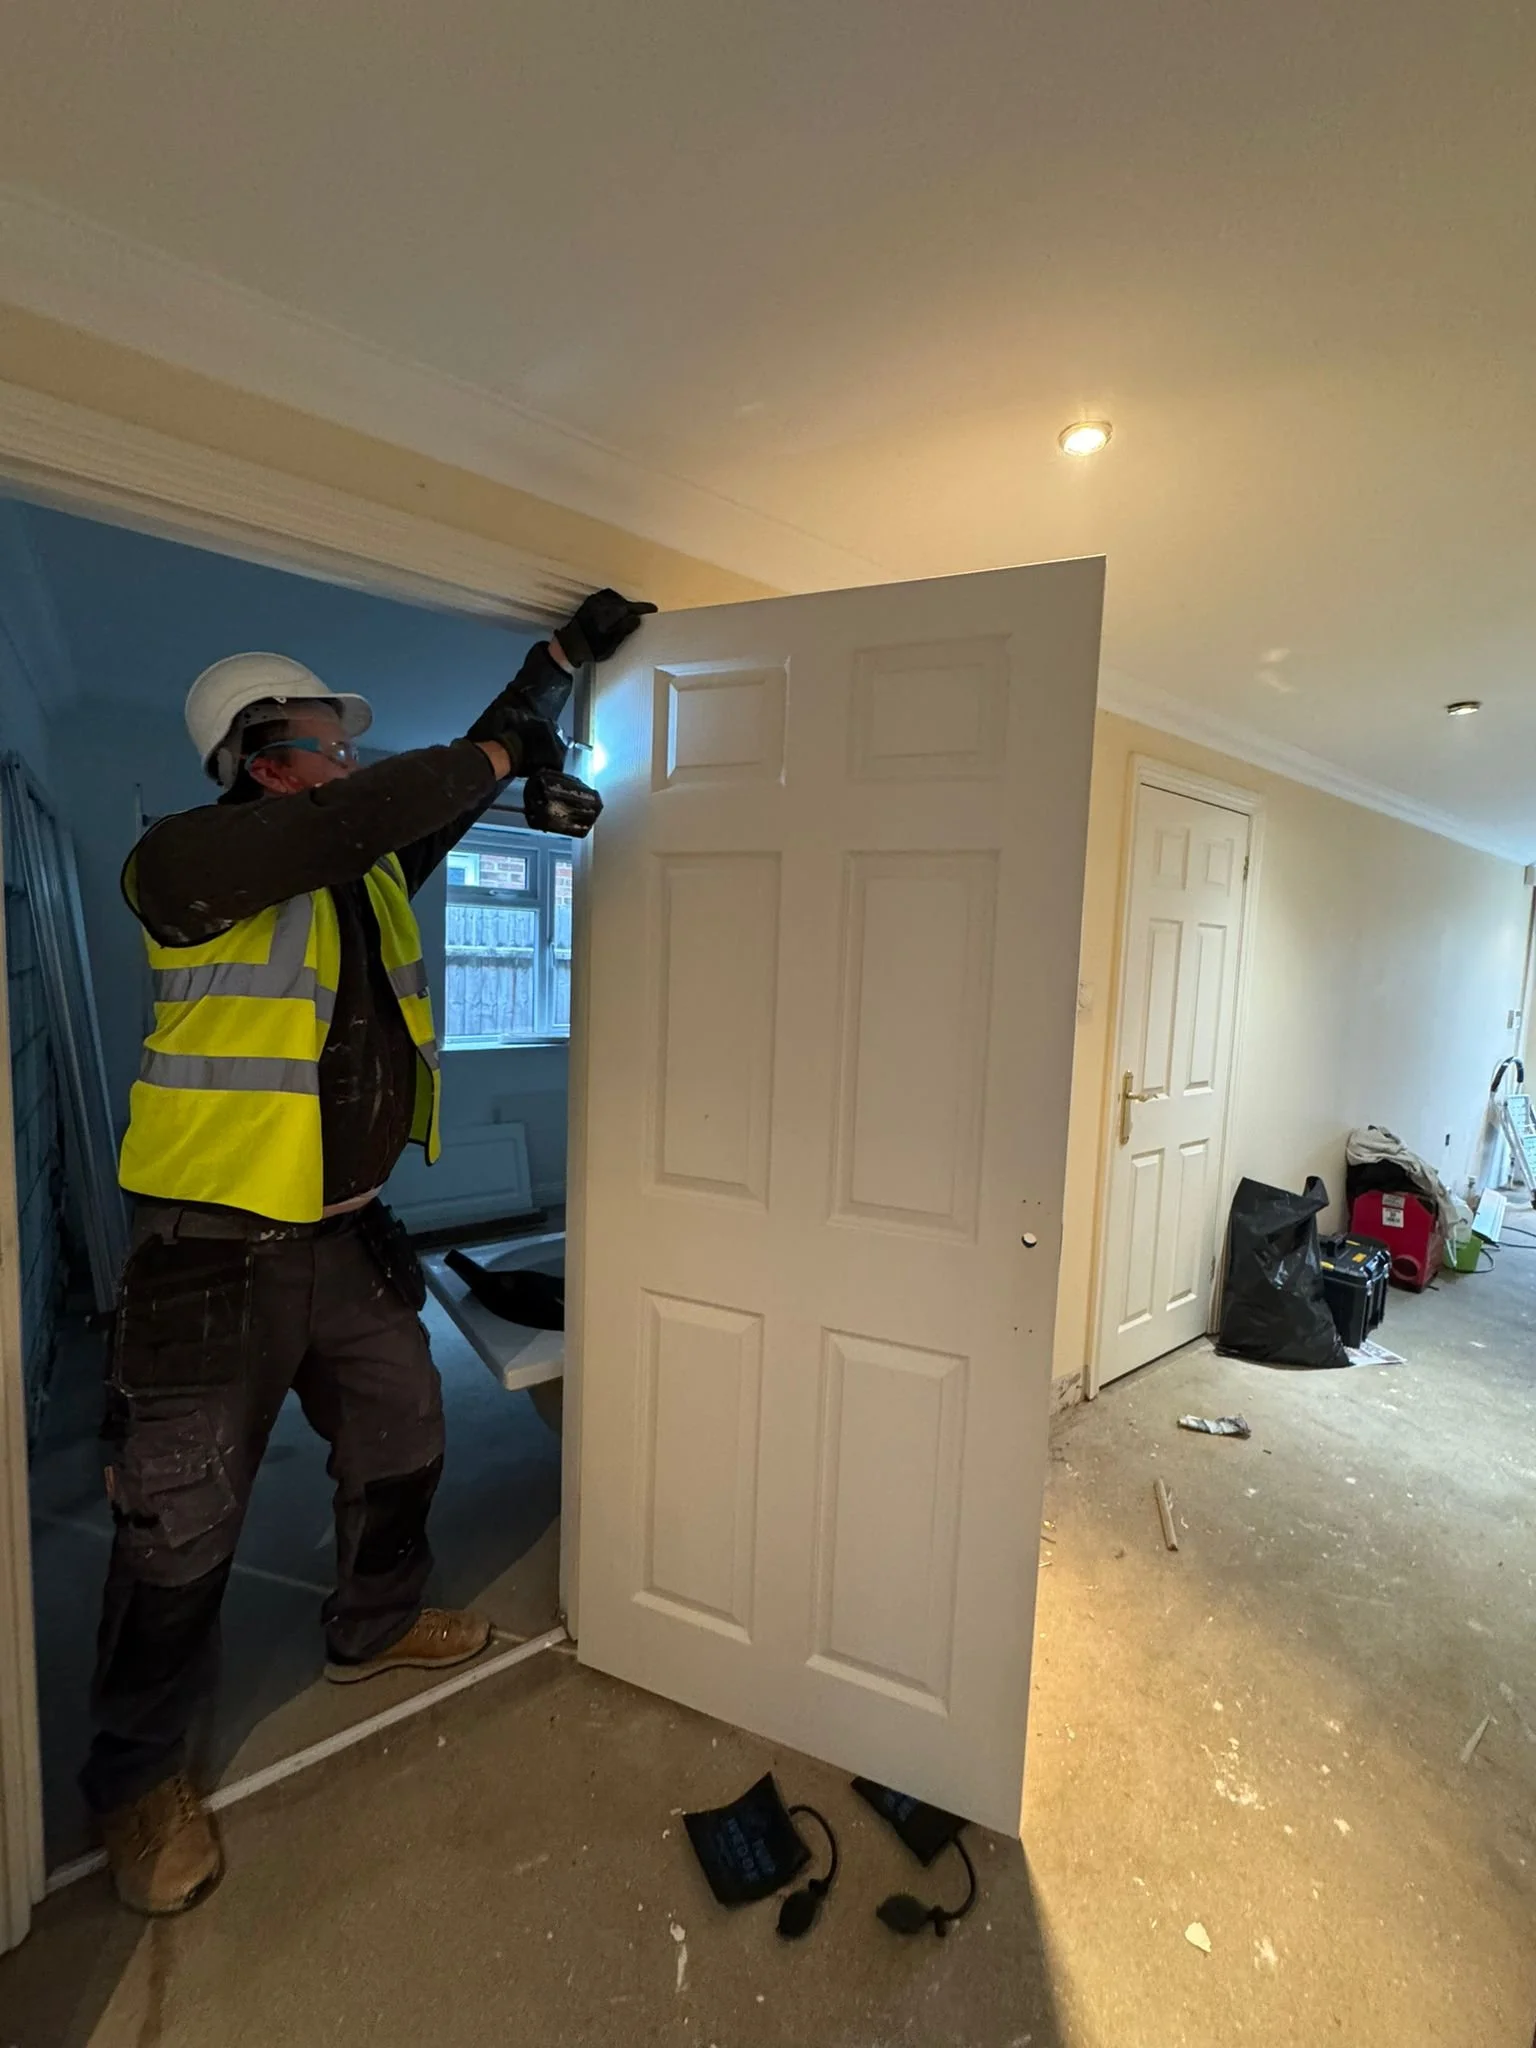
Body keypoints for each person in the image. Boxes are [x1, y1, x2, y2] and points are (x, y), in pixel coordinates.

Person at [84, 587, 655, 1916]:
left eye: (348, 745)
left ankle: (376, 1621)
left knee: (405, 1425)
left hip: (341, 1237)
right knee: (178, 1523)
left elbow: (407, 811)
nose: (344, 762)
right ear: (252, 752)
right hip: (207, 1256)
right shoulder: (180, 864)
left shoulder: (363, 876)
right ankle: (134, 1782)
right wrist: (512, 761)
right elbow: (369, 811)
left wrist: (556, 669)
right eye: (322, 742)